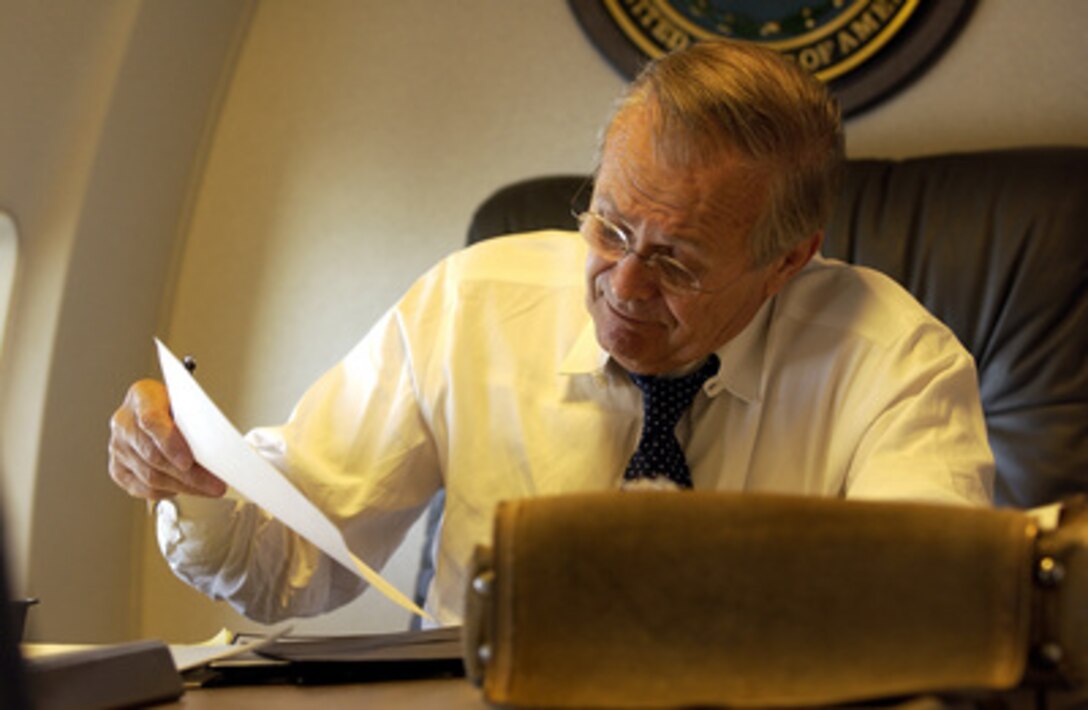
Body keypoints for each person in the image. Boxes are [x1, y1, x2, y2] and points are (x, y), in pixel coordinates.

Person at [107, 40, 994, 626]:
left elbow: (928, 617)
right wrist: (200, 480)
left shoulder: (897, 366)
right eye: (608, 228)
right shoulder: (472, 304)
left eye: (679, 262)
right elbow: (283, 561)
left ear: (790, 259)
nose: (624, 285)